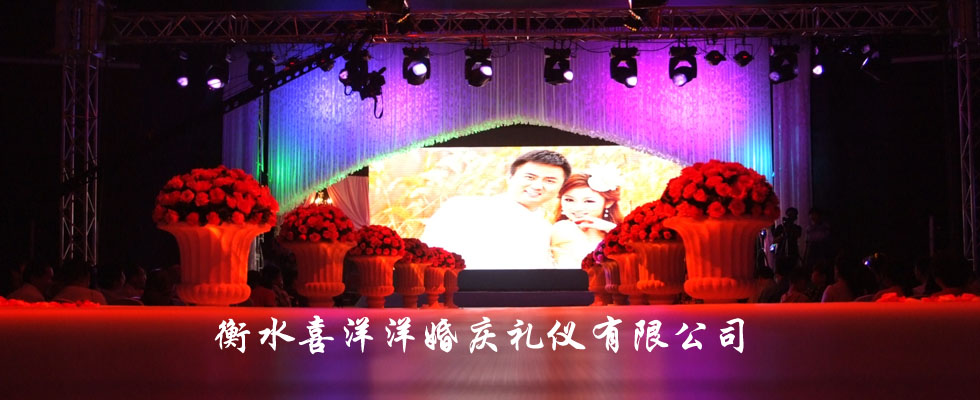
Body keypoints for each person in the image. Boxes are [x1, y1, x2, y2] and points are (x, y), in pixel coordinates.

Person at [421, 150, 571, 269]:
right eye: (530, 177)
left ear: (561, 187)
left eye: (549, 181)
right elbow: (429, 256)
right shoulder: (463, 208)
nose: (537, 186)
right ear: (510, 177)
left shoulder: (546, 228)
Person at [550, 172, 623, 269]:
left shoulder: (614, 229)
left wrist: (613, 230)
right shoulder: (563, 228)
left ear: (608, 202)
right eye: (569, 200)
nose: (577, 208)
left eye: (589, 201)